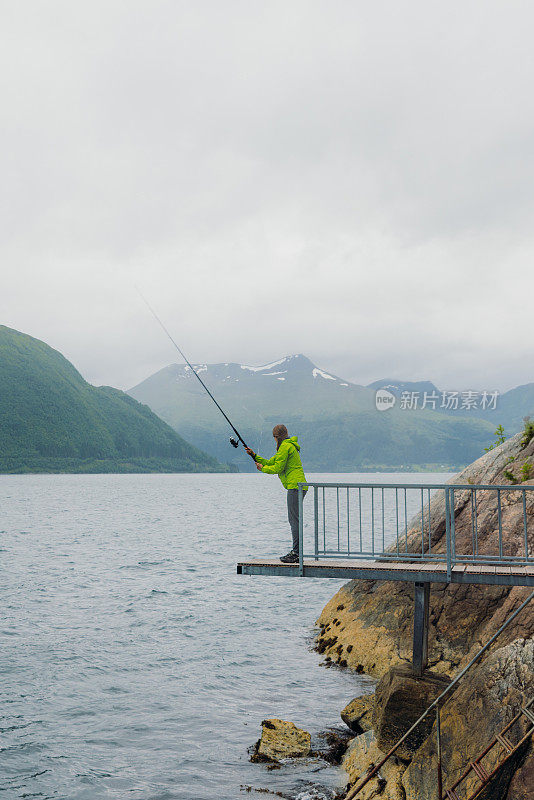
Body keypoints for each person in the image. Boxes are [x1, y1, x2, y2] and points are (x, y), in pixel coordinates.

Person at [245, 424, 307, 563]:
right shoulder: (287, 446)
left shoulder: (285, 447)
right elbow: (271, 462)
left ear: (276, 437)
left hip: (295, 486)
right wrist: (254, 455)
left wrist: (262, 469)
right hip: (298, 485)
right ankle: (297, 552)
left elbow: (278, 467)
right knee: (295, 520)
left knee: (294, 520)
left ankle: (296, 553)